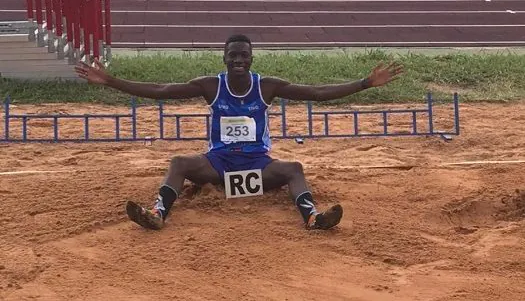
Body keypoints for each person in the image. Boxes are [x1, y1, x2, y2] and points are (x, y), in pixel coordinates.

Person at [75, 34, 403, 231]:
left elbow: (315, 92)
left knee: (294, 169)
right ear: (224, 58)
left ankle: (313, 218)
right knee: (179, 163)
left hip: (257, 165)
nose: (237, 60)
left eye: (243, 55)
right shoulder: (210, 85)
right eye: (232, 55)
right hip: (217, 165)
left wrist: (364, 84)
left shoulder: (268, 86)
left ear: (251, 58)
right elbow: (161, 89)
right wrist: (112, 81)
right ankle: (157, 214)